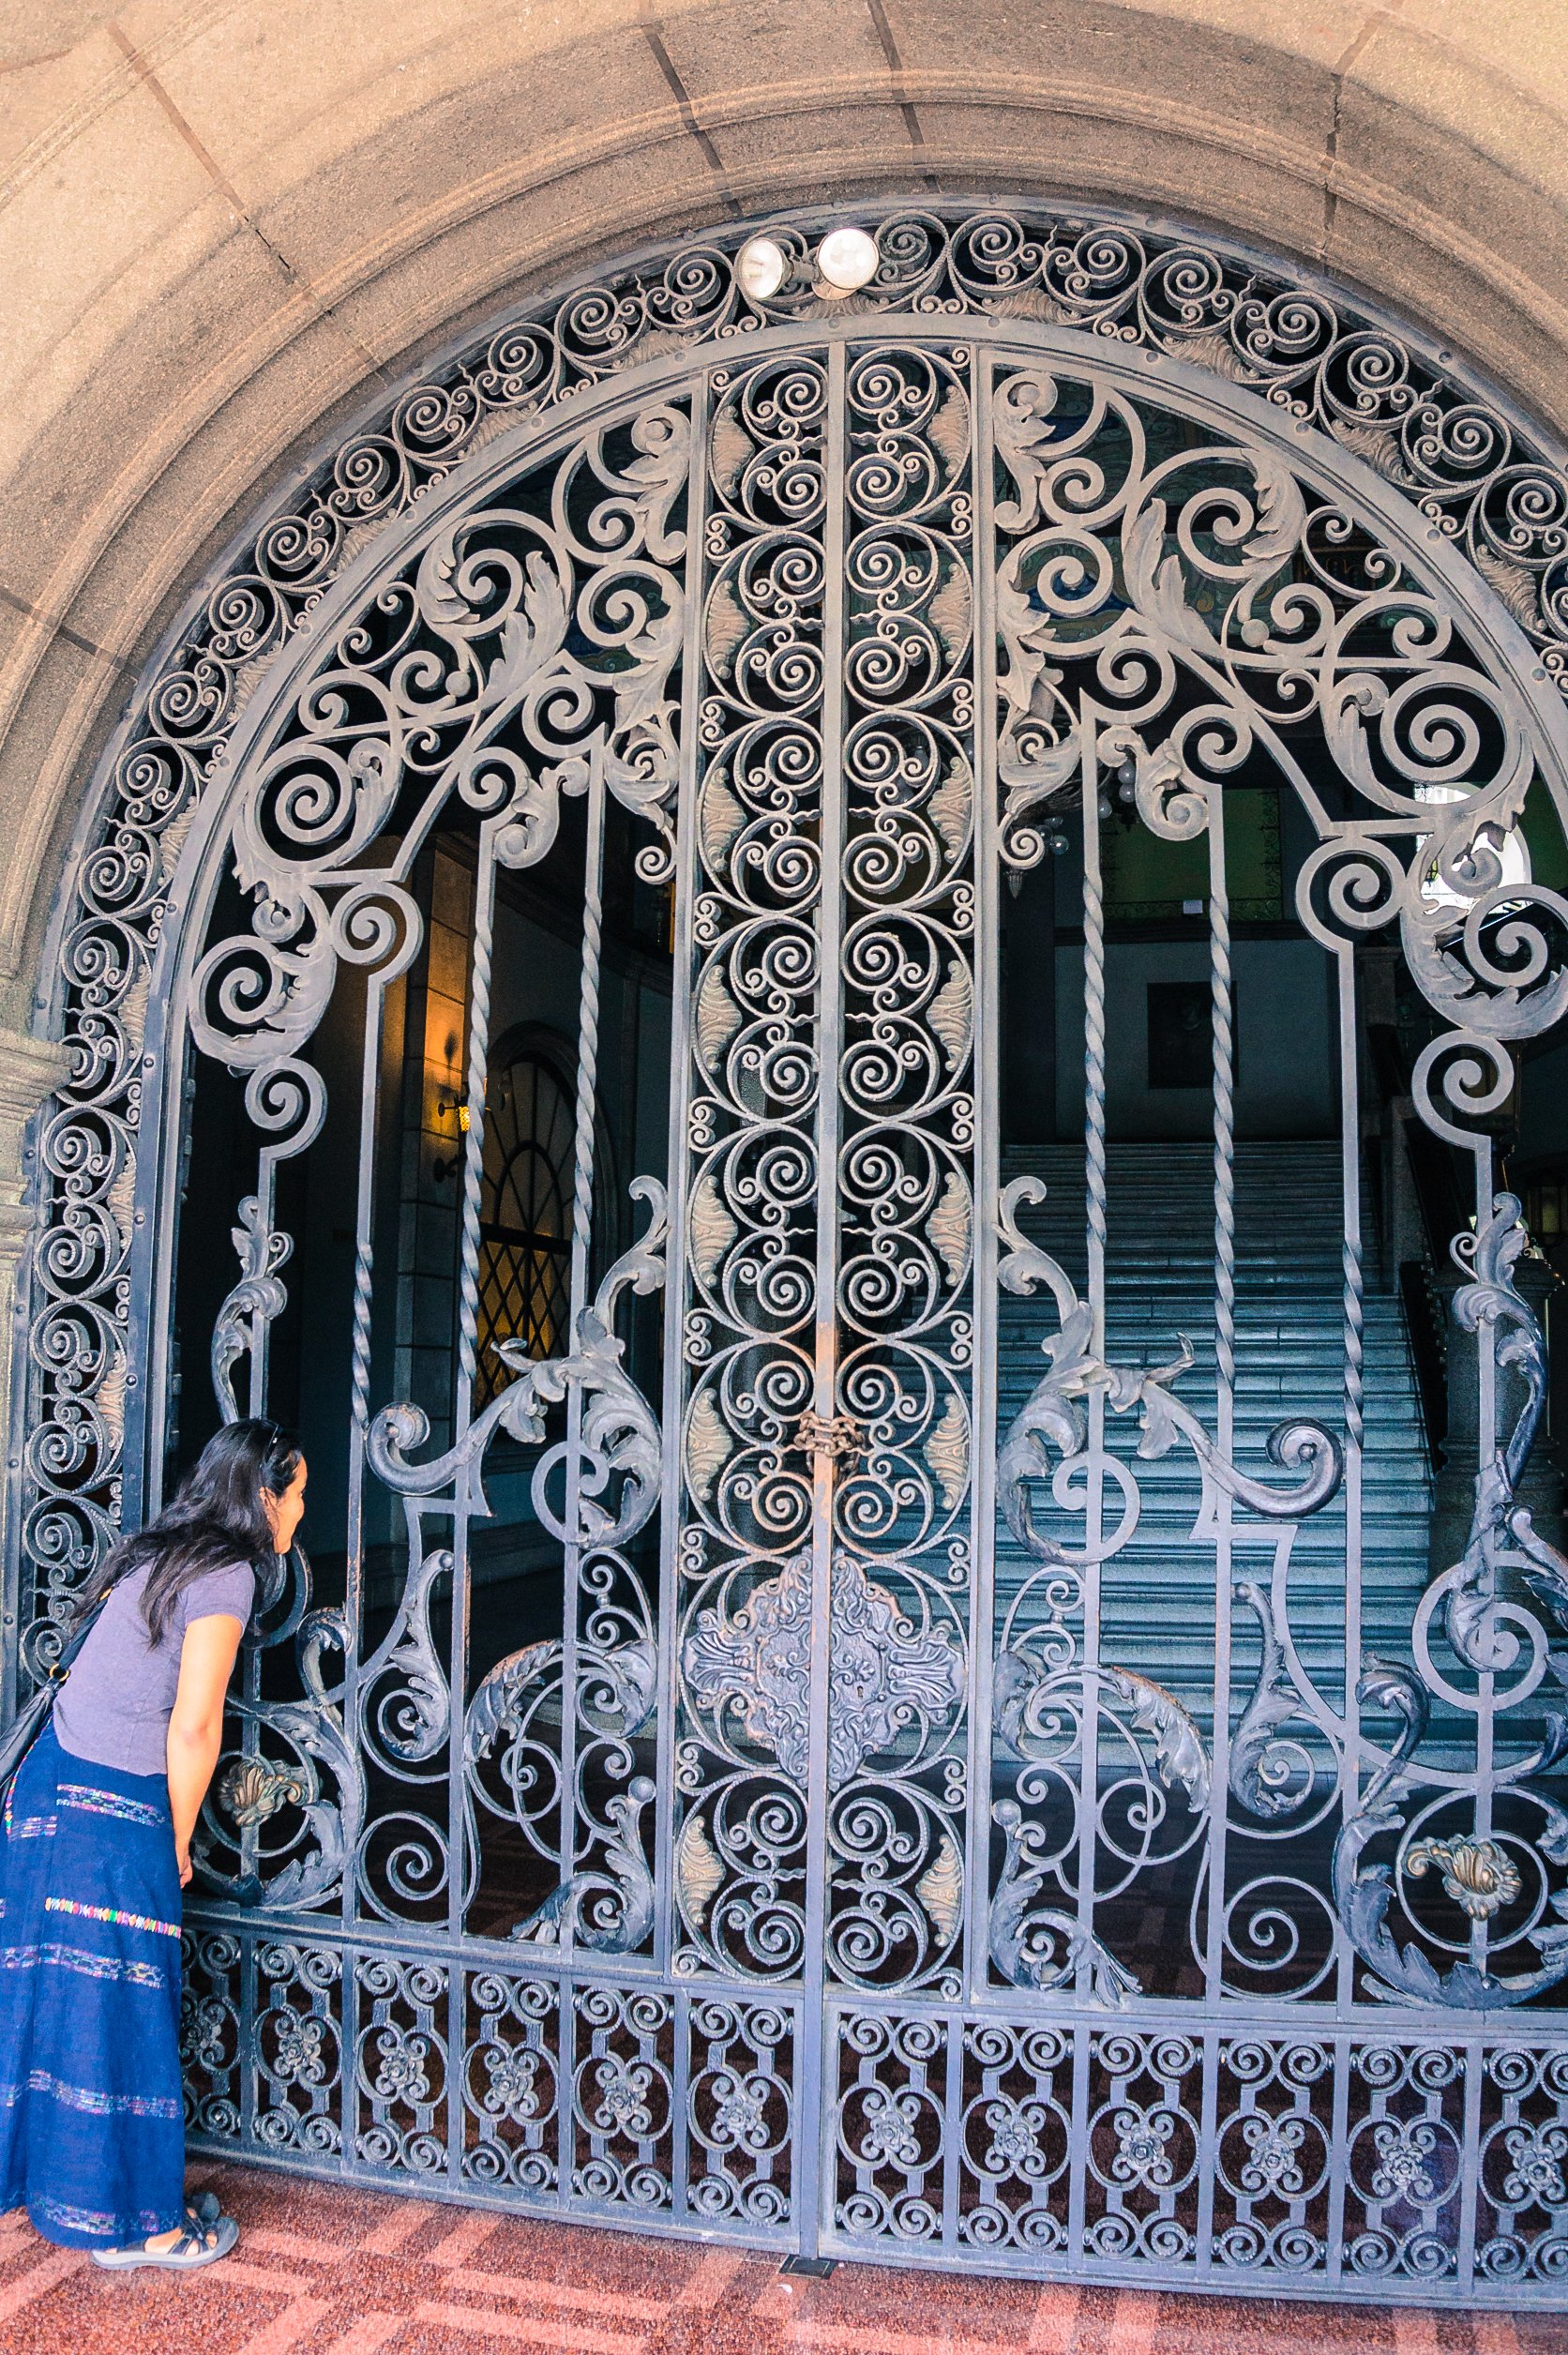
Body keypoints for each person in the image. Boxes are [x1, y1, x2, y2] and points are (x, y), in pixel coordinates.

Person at [0, 1417, 307, 2269]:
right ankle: (148, 2230)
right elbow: (196, 1724)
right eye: (299, 1493)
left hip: (49, 1787)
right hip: (108, 1806)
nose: (302, 1512)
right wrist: (169, 1842)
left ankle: (77, 2198)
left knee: (57, 2004)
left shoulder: (160, 1549)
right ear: (262, 1495)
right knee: (126, 2009)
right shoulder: (230, 1572)